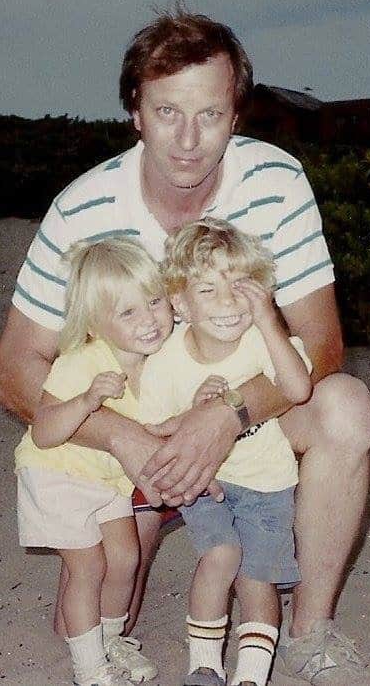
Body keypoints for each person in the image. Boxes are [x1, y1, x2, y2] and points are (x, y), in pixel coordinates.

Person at [0, 7, 370, 685]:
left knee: (348, 409)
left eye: (211, 114)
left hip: (246, 416)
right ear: (135, 112)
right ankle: (149, 541)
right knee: (104, 607)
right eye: (168, 112)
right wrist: (129, 442)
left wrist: (224, 417)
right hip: (139, 426)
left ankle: (309, 632)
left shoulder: (277, 183)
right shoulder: (83, 208)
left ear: (238, 114)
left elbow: (323, 345)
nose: (190, 141)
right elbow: (13, 373)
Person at [138, 218, 312, 686]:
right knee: (220, 557)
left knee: (258, 579)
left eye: (241, 287)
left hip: (269, 484)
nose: (229, 302)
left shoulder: (260, 341)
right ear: (180, 303)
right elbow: (153, 430)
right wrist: (189, 414)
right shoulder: (166, 362)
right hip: (208, 486)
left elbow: (297, 388)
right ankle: (204, 665)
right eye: (208, 289)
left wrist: (269, 322)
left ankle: (251, 676)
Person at [14, 238, 171, 686]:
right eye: (128, 312)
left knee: (124, 557)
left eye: (155, 302)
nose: (149, 320)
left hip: (105, 480)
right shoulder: (82, 362)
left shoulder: (158, 363)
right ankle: (90, 670)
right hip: (57, 476)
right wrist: (86, 400)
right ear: (95, 323)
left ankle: (109, 640)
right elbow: (44, 431)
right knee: (89, 567)